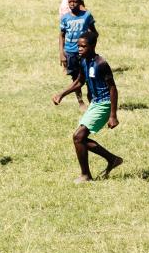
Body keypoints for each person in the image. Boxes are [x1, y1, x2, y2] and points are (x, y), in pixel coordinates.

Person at [52, 27, 122, 183]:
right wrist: (61, 94)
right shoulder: (83, 61)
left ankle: (86, 175)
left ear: (93, 46)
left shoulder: (101, 63)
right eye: (78, 46)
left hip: (104, 103)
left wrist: (113, 115)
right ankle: (112, 160)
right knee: (80, 139)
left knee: (78, 136)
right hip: (95, 103)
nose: (79, 49)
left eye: (83, 46)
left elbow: (113, 88)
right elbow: (79, 82)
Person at [58, 0, 96, 106]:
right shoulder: (65, 18)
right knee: (76, 78)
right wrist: (61, 53)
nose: (72, 4)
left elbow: (94, 33)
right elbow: (62, 35)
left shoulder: (86, 16)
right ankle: (80, 102)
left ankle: (92, 101)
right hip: (70, 52)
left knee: (89, 78)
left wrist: (91, 49)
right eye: (70, 2)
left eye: (75, 1)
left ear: (80, 2)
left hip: (85, 53)